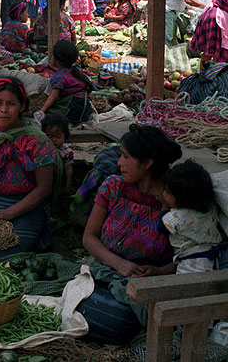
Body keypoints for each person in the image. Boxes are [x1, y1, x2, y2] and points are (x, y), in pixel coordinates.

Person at [77, 125, 183, 344]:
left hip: (143, 286)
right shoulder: (113, 186)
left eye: (125, 157)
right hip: (104, 270)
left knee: (115, 321)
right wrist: (118, 264)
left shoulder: (173, 202)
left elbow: (184, 260)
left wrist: (157, 271)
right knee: (74, 304)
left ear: (147, 163)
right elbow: (89, 237)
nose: (119, 163)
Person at [0, 77, 58, 258]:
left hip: (25, 208)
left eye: (11, 104)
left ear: (22, 106)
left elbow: (44, 189)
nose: (4, 110)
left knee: (4, 250)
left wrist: (7, 213)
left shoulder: (36, 141)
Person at [160, 159, 222, 275]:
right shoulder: (210, 208)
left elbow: (161, 227)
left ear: (181, 199)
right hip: (212, 258)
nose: (163, 194)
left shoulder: (176, 217)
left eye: (167, 192)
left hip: (189, 263)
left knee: (186, 287)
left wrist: (164, 207)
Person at [39, 40, 93, 124]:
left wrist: (42, 110)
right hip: (85, 108)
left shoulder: (59, 76)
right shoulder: (74, 72)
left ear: (57, 60)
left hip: (74, 109)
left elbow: (53, 96)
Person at [190, 0, 228, 66]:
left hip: (211, 15)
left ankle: (203, 77)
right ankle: (212, 77)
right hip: (216, 19)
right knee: (218, 55)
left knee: (209, 54)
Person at [41, 113, 74, 195]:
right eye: (50, 136)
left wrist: (68, 185)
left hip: (58, 184)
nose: (54, 140)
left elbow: (68, 170)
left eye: (58, 137)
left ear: (65, 136)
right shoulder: (41, 150)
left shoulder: (66, 152)